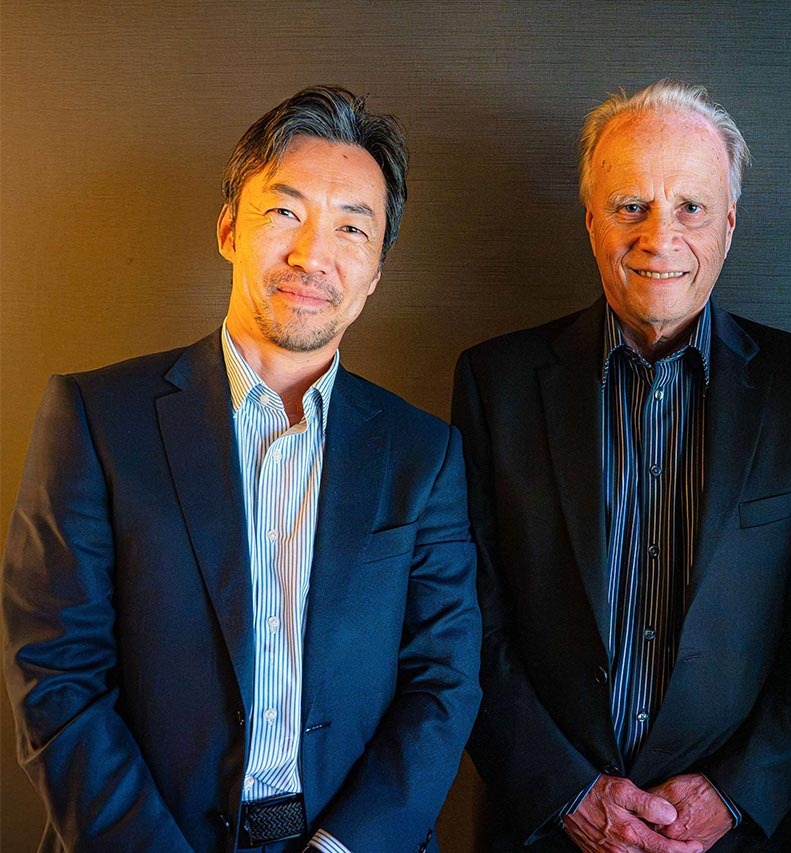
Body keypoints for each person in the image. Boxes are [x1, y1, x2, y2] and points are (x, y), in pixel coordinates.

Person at [2, 85, 482, 853]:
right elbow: (56, 674)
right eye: (285, 211)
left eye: (351, 228)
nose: (312, 256)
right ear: (229, 227)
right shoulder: (96, 418)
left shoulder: (423, 453)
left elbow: (444, 682)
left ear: (375, 271)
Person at [453, 79, 791, 852]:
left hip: (732, 836)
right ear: (591, 220)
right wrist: (568, 792)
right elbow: (471, 618)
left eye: (691, 207)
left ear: (729, 223)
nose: (659, 237)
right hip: (545, 828)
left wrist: (732, 794)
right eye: (630, 206)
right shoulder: (495, 382)